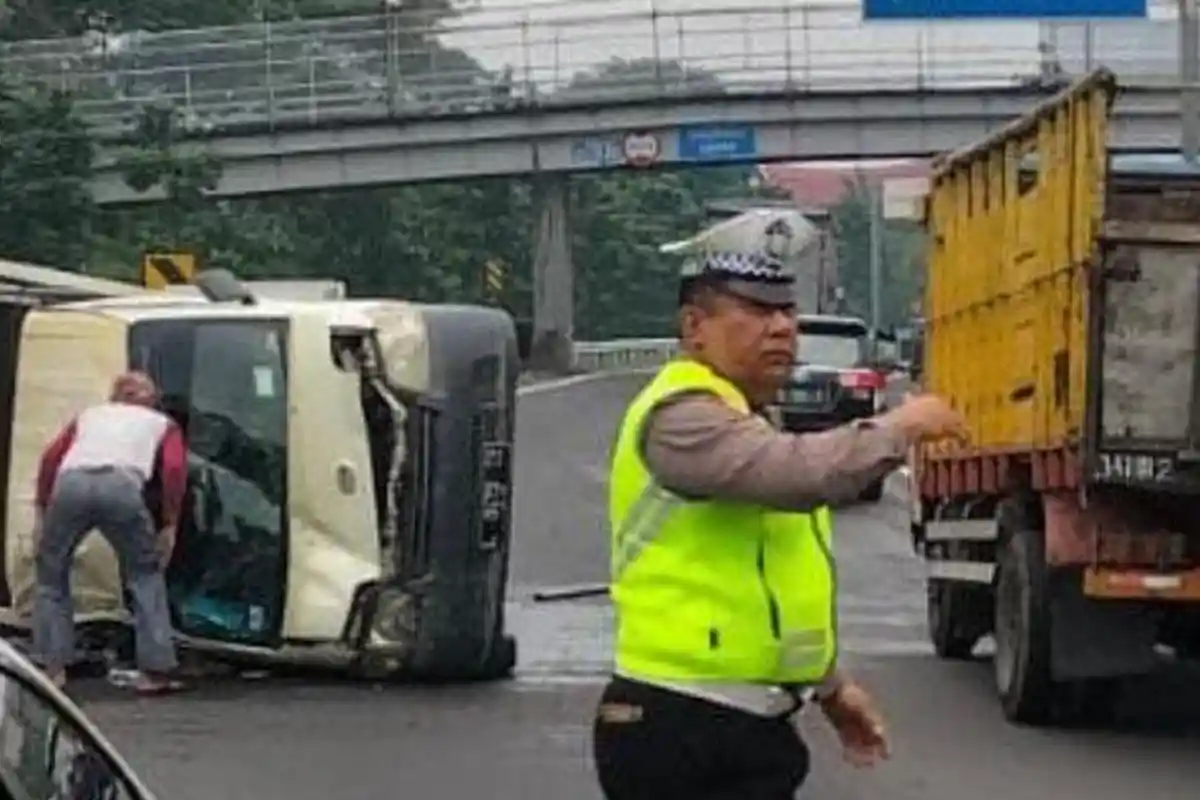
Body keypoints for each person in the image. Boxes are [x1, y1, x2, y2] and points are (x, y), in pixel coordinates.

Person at [593, 210, 966, 800]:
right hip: (676, 726)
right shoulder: (680, 415)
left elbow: (772, 589)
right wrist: (901, 426)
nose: (781, 328)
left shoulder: (750, 420)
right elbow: (800, 474)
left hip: (750, 727)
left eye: (787, 311)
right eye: (755, 310)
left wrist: (830, 687)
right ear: (695, 327)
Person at [32, 371, 188, 694]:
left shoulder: (90, 416)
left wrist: (41, 509)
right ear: (150, 398)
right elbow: (173, 469)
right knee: (144, 575)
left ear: (115, 396)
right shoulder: (161, 423)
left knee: (51, 576)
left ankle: (53, 668)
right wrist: (170, 522)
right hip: (122, 487)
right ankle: (154, 671)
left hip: (70, 485)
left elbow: (50, 458)